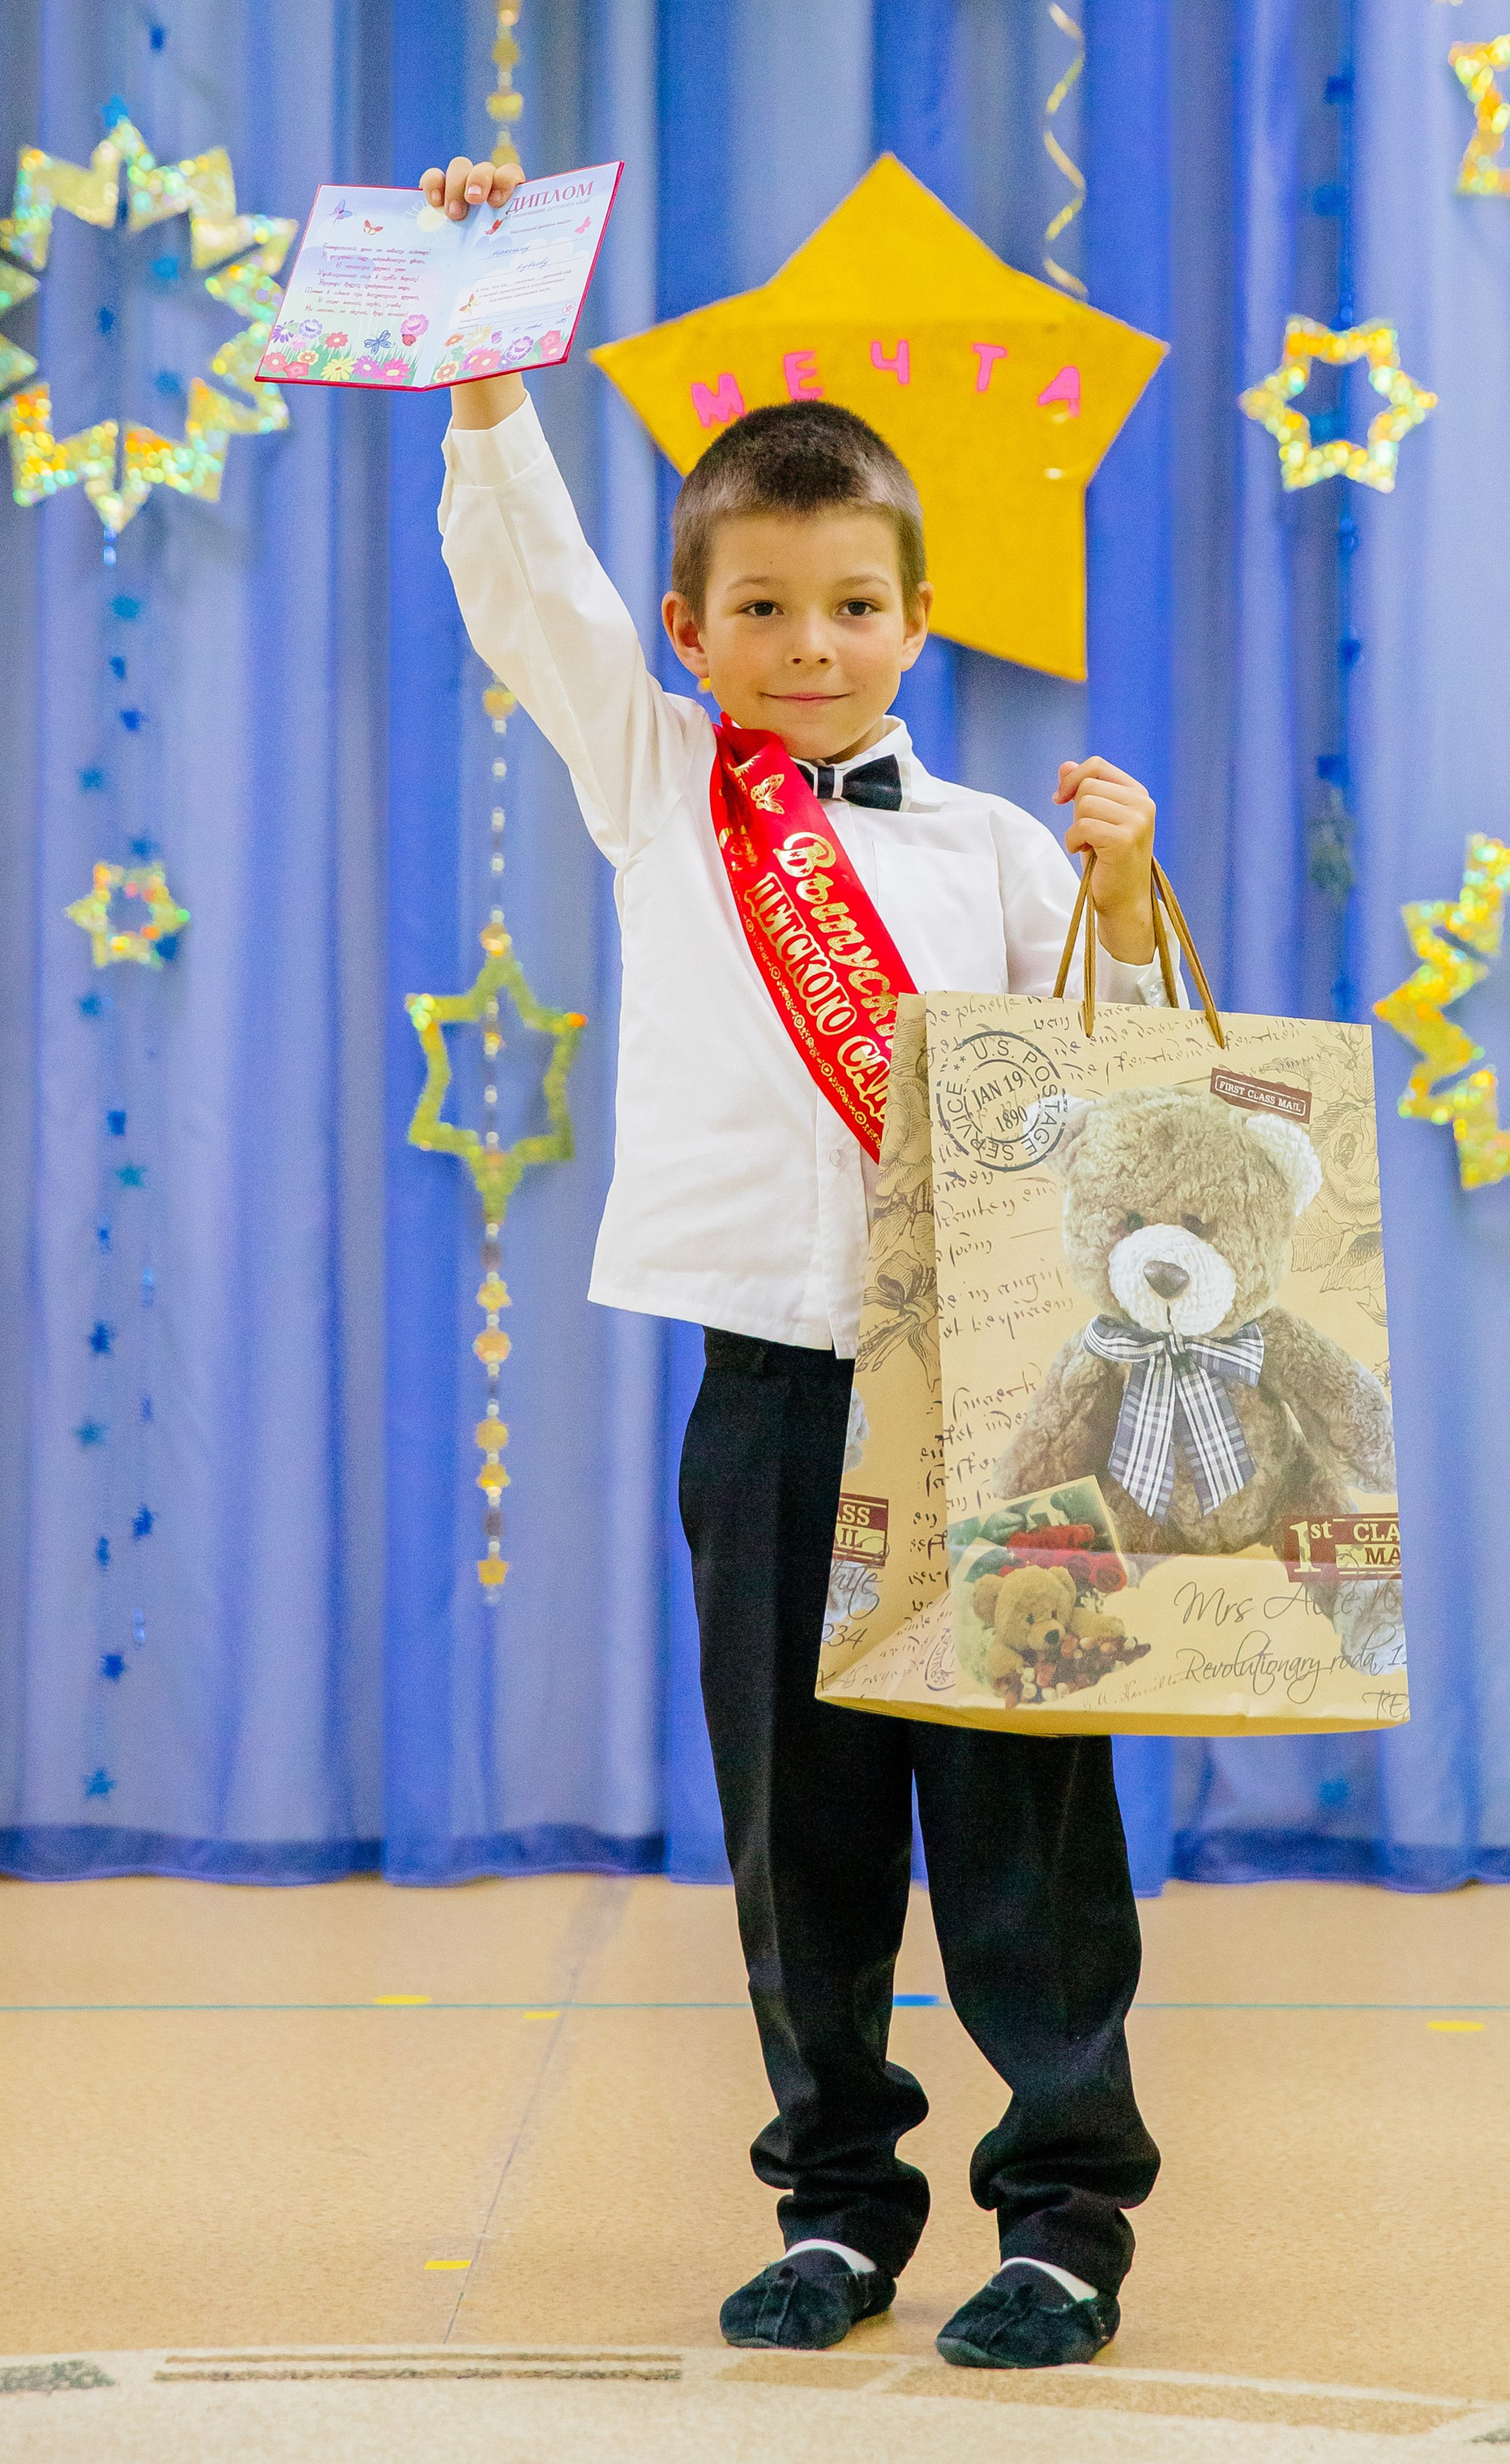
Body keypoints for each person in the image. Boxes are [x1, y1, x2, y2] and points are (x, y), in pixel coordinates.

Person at [426, 148, 1166, 2373]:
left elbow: (1109, 1122)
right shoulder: (661, 785)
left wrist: (1122, 911)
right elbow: (530, 589)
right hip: (771, 1391)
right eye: (760, 610)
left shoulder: (1001, 842)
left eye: (853, 608)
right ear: (691, 634)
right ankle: (839, 2203)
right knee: (803, 1840)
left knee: (1024, 1837)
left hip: (998, 1404)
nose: (810, 649)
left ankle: (1061, 2215)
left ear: (919, 626)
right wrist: (484, 369)